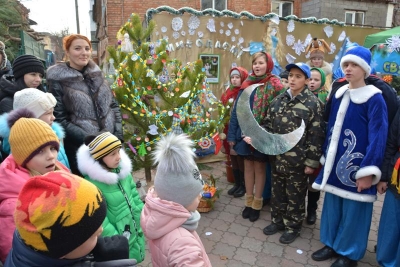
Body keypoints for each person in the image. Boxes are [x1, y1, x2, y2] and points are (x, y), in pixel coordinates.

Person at [311, 46, 388, 267]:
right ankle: (332, 243)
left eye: (354, 65)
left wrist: (368, 171)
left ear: (364, 69)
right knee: (333, 206)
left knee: (355, 211)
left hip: (359, 166)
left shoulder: (375, 99)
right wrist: (326, 157)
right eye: (346, 64)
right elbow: (331, 129)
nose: (348, 69)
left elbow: (378, 137)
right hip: (335, 165)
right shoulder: (339, 94)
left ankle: (350, 254)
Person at [5, 171, 137, 267]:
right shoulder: (55, 246)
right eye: (91, 235)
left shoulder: (36, 244)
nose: (101, 231)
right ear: (63, 250)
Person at [261, 62, 325, 244]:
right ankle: (278, 221)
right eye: (291, 76)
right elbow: (268, 124)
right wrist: (260, 139)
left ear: (306, 80)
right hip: (277, 158)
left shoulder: (313, 104)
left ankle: (293, 226)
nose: (293, 79)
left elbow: (316, 135)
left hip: (298, 161)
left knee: (295, 195)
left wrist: (311, 163)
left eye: (298, 76)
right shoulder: (278, 100)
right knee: (278, 192)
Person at [47, 34, 123, 175]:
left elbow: (113, 106)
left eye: (87, 48)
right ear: (67, 52)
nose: (84, 53)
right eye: (77, 48)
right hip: (81, 148)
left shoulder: (98, 75)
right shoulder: (57, 80)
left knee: (115, 185)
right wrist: (91, 140)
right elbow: (60, 118)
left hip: (110, 144)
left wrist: (118, 133)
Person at [0, 109, 70, 263]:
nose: (51, 156)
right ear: (23, 158)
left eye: (53, 148)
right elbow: (12, 252)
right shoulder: (14, 204)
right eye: (40, 151)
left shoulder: (61, 174)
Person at [227, 52, 284, 222]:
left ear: (269, 65)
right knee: (248, 168)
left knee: (260, 169)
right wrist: (232, 135)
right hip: (244, 136)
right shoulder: (246, 85)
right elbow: (237, 112)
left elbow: (276, 114)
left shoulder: (275, 86)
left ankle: (258, 204)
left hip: (261, 135)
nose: (257, 66)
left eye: (261, 63)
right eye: (255, 63)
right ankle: (248, 201)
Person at [140, 133, 211, 267]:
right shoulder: (183, 243)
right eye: (196, 194)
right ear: (181, 199)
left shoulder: (160, 220)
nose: (200, 196)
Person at [76, 131, 145, 263]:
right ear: (100, 157)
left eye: (118, 152)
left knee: (136, 256)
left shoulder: (124, 174)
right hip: (118, 236)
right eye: (113, 154)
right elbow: (99, 219)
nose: (118, 157)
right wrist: (114, 238)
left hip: (134, 228)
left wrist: (141, 214)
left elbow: (134, 195)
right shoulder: (92, 185)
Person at [0, 88, 70, 168]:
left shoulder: (54, 133)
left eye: (53, 112)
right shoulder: (23, 144)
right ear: (33, 118)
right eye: (48, 113)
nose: (53, 117)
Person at [303, 67, 327, 225]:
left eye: (316, 80)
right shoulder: (301, 96)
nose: (312, 82)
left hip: (315, 147)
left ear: (322, 82)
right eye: (310, 79)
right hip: (300, 147)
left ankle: (311, 210)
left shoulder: (326, 99)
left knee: (313, 183)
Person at [376, 107, 400, 267]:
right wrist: (384, 177)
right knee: (392, 222)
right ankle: (387, 260)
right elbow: (391, 141)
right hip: (397, 177)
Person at [221, 67, 248, 198]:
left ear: (242, 78)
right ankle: (237, 183)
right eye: (232, 77)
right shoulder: (228, 92)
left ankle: (243, 185)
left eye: (237, 77)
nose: (234, 80)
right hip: (228, 129)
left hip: (239, 128)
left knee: (240, 156)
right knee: (232, 157)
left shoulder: (244, 92)